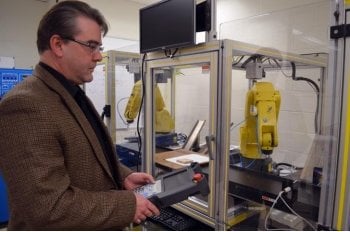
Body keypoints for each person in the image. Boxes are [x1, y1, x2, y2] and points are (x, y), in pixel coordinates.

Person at [0, 1, 159, 230]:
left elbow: (86, 157)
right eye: (91, 46)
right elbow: (47, 207)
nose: (98, 57)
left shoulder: (70, 93)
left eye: (100, 48)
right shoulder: (25, 104)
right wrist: (126, 205)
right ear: (58, 45)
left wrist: (122, 176)